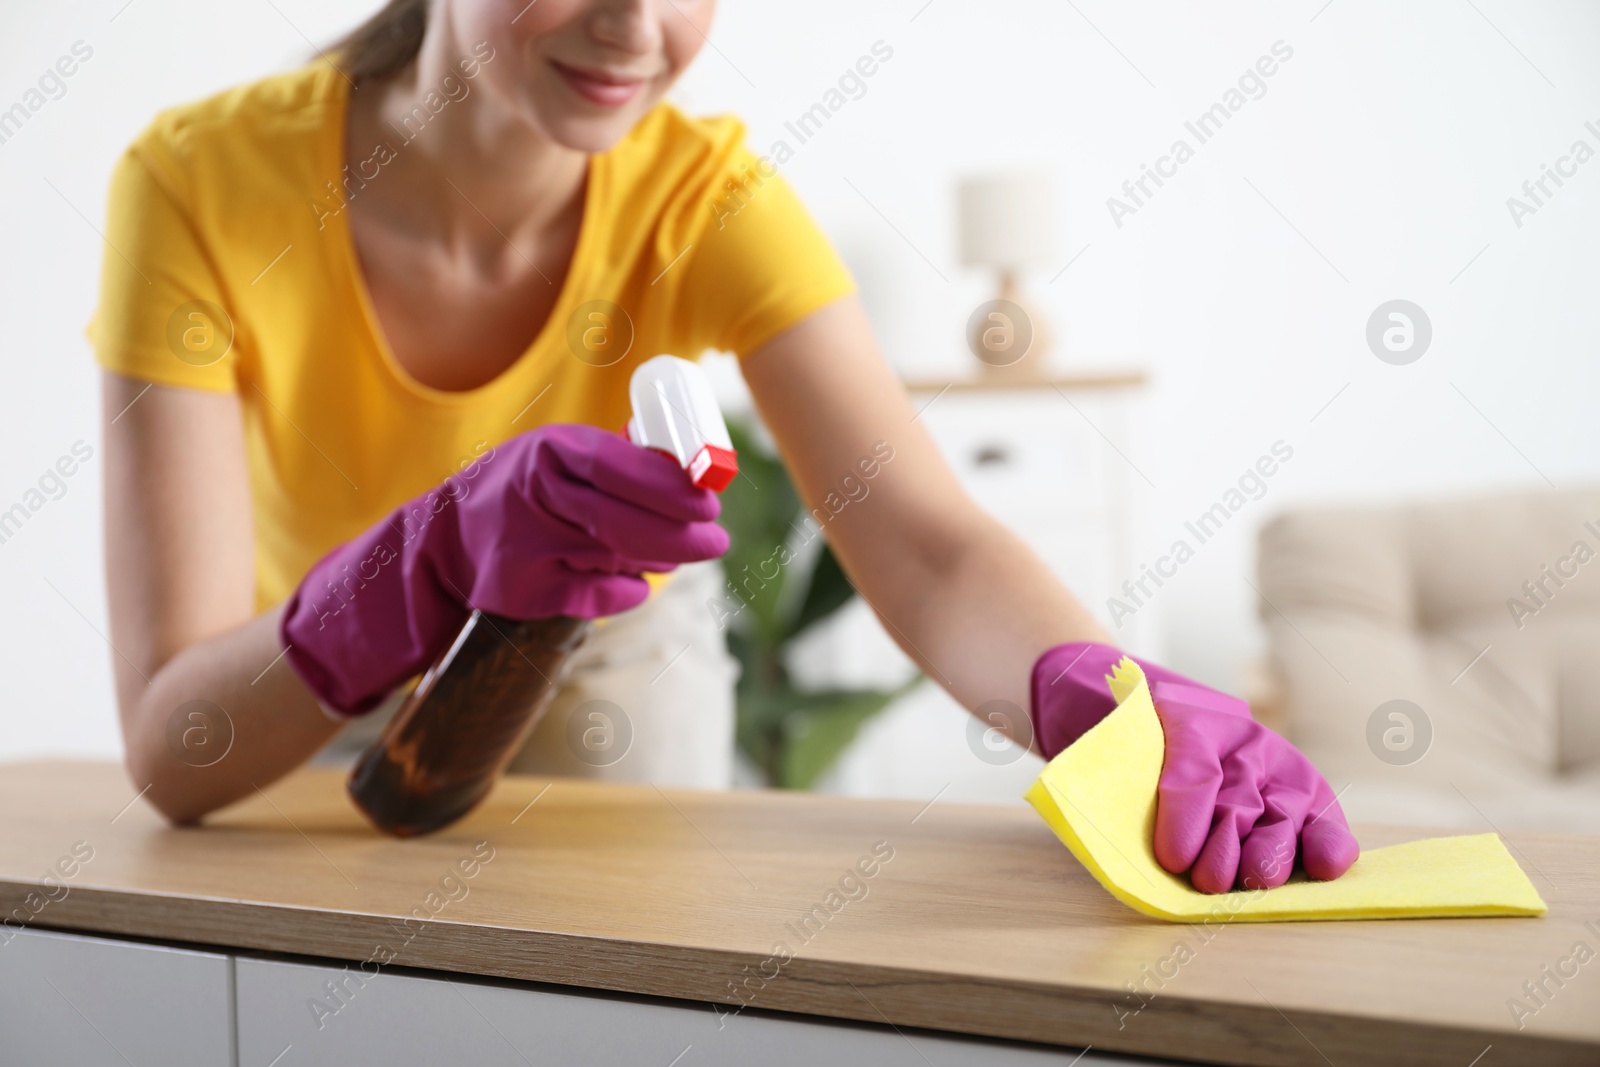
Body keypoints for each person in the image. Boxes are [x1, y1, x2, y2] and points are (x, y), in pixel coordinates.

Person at [91, 0, 1357, 895]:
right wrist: (419, 565)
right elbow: (169, 749)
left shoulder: (708, 200)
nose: (637, 23)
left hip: (610, 656)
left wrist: (1110, 700)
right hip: (315, 672)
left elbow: (925, 542)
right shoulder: (201, 184)